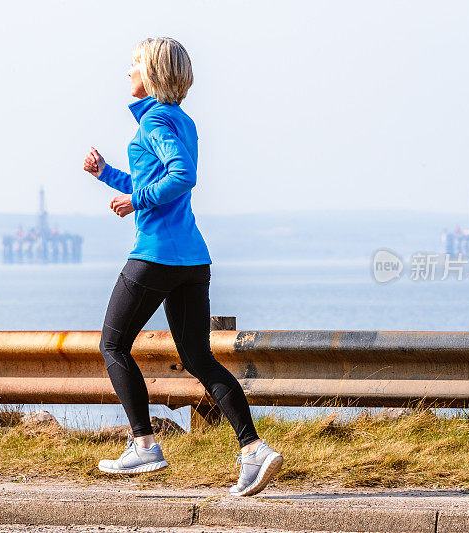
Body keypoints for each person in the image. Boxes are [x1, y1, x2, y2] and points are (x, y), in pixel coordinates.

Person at [82, 36, 283, 497]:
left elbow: (181, 176)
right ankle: (254, 451)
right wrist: (108, 175)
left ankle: (144, 444)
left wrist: (135, 200)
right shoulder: (180, 120)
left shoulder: (153, 120)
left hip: (155, 254)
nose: (128, 71)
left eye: (134, 64)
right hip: (192, 258)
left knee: (112, 346)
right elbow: (160, 177)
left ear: (151, 73)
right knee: (198, 359)